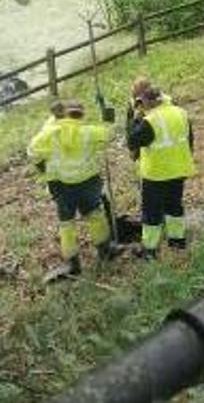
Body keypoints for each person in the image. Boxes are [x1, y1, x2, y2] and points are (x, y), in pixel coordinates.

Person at [27, 100, 116, 281]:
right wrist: (107, 119)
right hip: (87, 183)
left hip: (61, 185)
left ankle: (72, 263)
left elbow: (32, 151)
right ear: (81, 115)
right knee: (95, 216)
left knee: (66, 224)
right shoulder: (88, 132)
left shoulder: (50, 133)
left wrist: (42, 167)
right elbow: (108, 135)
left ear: (63, 115)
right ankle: (104, 251)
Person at [126, 84, 196, 259]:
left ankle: (149, 249)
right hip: (179, 168)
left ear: (147, 102)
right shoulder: (180, 112)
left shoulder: (150, 121)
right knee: (174, 205)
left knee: (152, 212)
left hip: (157, 174)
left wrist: (134, 118)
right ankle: (177, 241)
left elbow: (132, 141)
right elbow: (189, 140)